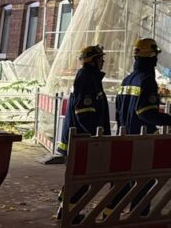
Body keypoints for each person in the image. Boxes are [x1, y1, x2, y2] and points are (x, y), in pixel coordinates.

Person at [109, 38, 171, 218]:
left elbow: (119, 112)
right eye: (155, 57)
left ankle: (110, 217)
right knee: (144, 183)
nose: (156, 60)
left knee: (122, 184)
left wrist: (122, 131)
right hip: (142, 141)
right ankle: (139, 218)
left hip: (125, 138)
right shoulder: (147, 80)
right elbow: (146, 113)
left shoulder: (127, 80)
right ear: (151, 58)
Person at [56, 45, 112, 221]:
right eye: (101, 58)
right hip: (82, 139)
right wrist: (96, 138)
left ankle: (66, 208)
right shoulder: (87, 78)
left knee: (79, 179)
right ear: (94, 60)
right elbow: (84, 113)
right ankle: (69, 215)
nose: (103, 61)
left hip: (81, 138)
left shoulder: (90, 77)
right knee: (82, 182)